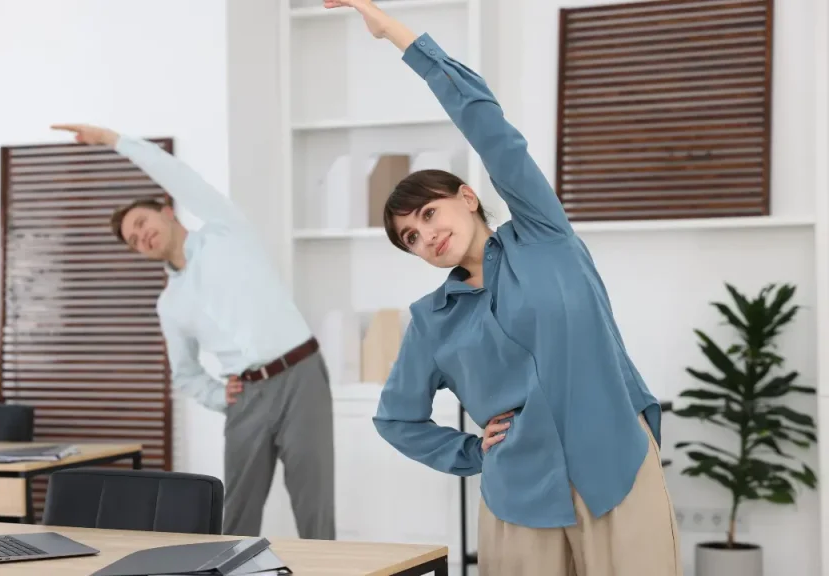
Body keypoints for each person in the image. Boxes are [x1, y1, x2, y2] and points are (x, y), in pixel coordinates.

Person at [325, 1, 681, 575]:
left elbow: (487, 124)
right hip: (520, 496)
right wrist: (468, 452)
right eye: (410, 237)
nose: (426, 235)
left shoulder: (544, 235)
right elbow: (396, 419)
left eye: (428, 213)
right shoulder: (432, 320)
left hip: (616, 465)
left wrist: (395, 33)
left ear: (467, 196)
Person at [50, 123, 336, 541]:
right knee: (236, 513)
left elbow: (174, 173)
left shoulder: (225, 230)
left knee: (315, 508)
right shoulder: (170, 305)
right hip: (247, 397)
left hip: (302, 376)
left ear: (167, 211)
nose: (141, 235)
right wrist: (220, 395)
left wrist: (113, 141)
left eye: (142, 222)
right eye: (133, 239)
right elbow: (184, 373)